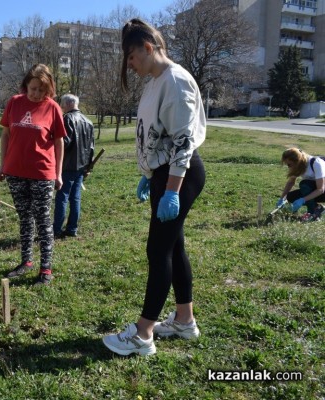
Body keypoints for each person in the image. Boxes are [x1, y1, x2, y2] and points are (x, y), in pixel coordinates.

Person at [102, 19, 206, 356]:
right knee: (173, 248)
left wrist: (172, 189)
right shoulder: (156, 82)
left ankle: (143, 335)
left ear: (148, 47)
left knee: (157, 250)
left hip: (181, 174)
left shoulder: (175, 81)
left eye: (131, 57)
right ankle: (184, 321)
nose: (130, 65)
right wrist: (149, 173)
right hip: (164, 175)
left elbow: (183, 142)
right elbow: (155, 133)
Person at [0, 63, 67, 286]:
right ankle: (26, 261)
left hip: (42, 173)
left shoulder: (53, 108)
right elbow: (6, 135)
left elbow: (58, 142)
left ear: (48, 89)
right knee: (24, 218)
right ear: (26, 85)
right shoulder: (14, 102)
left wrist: (58, 173)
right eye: (33, 88)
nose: (36, 94)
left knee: (43, 220)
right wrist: (3, 165)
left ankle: (45, 268)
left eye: (41, 89)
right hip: (16, 172)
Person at [53, 93, 95, 238]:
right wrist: (88, 167)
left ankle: (57, 229)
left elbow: (64, 143)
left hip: (67, 166)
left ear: (68, 104)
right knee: (75, 198)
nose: (62, 108)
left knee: (62, 197)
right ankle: (72, 229)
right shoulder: (88, 122)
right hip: (81, 166)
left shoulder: (67, 119)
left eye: (62, 105)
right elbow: (91, 148)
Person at [277, 147, 325, 222]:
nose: (289, 167)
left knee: (304, 184)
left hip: (322, 191)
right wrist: (282, 198)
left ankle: (312, 213)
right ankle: (318, 208)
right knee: (290, 197)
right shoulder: (298, 166)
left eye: (289, 164)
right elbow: (291, 182)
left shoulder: (316, 163)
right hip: (315, 190)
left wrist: (303, 200)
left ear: (297, 161)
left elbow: (320, 189)